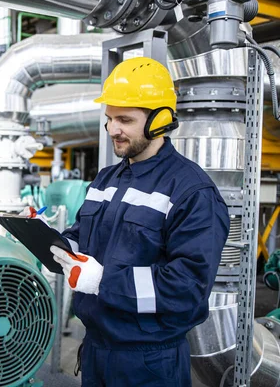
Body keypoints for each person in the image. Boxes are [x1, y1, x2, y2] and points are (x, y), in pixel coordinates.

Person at [51, 57, 230, 386]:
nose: (112, 130)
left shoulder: (191, 191)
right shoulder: (106, 179)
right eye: (108, 118)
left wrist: (104, 281)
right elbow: (83, 235)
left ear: (160, 120)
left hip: (148, 362)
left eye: (124, 119)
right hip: (95, 350)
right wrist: (57, 243)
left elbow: (186, 289)